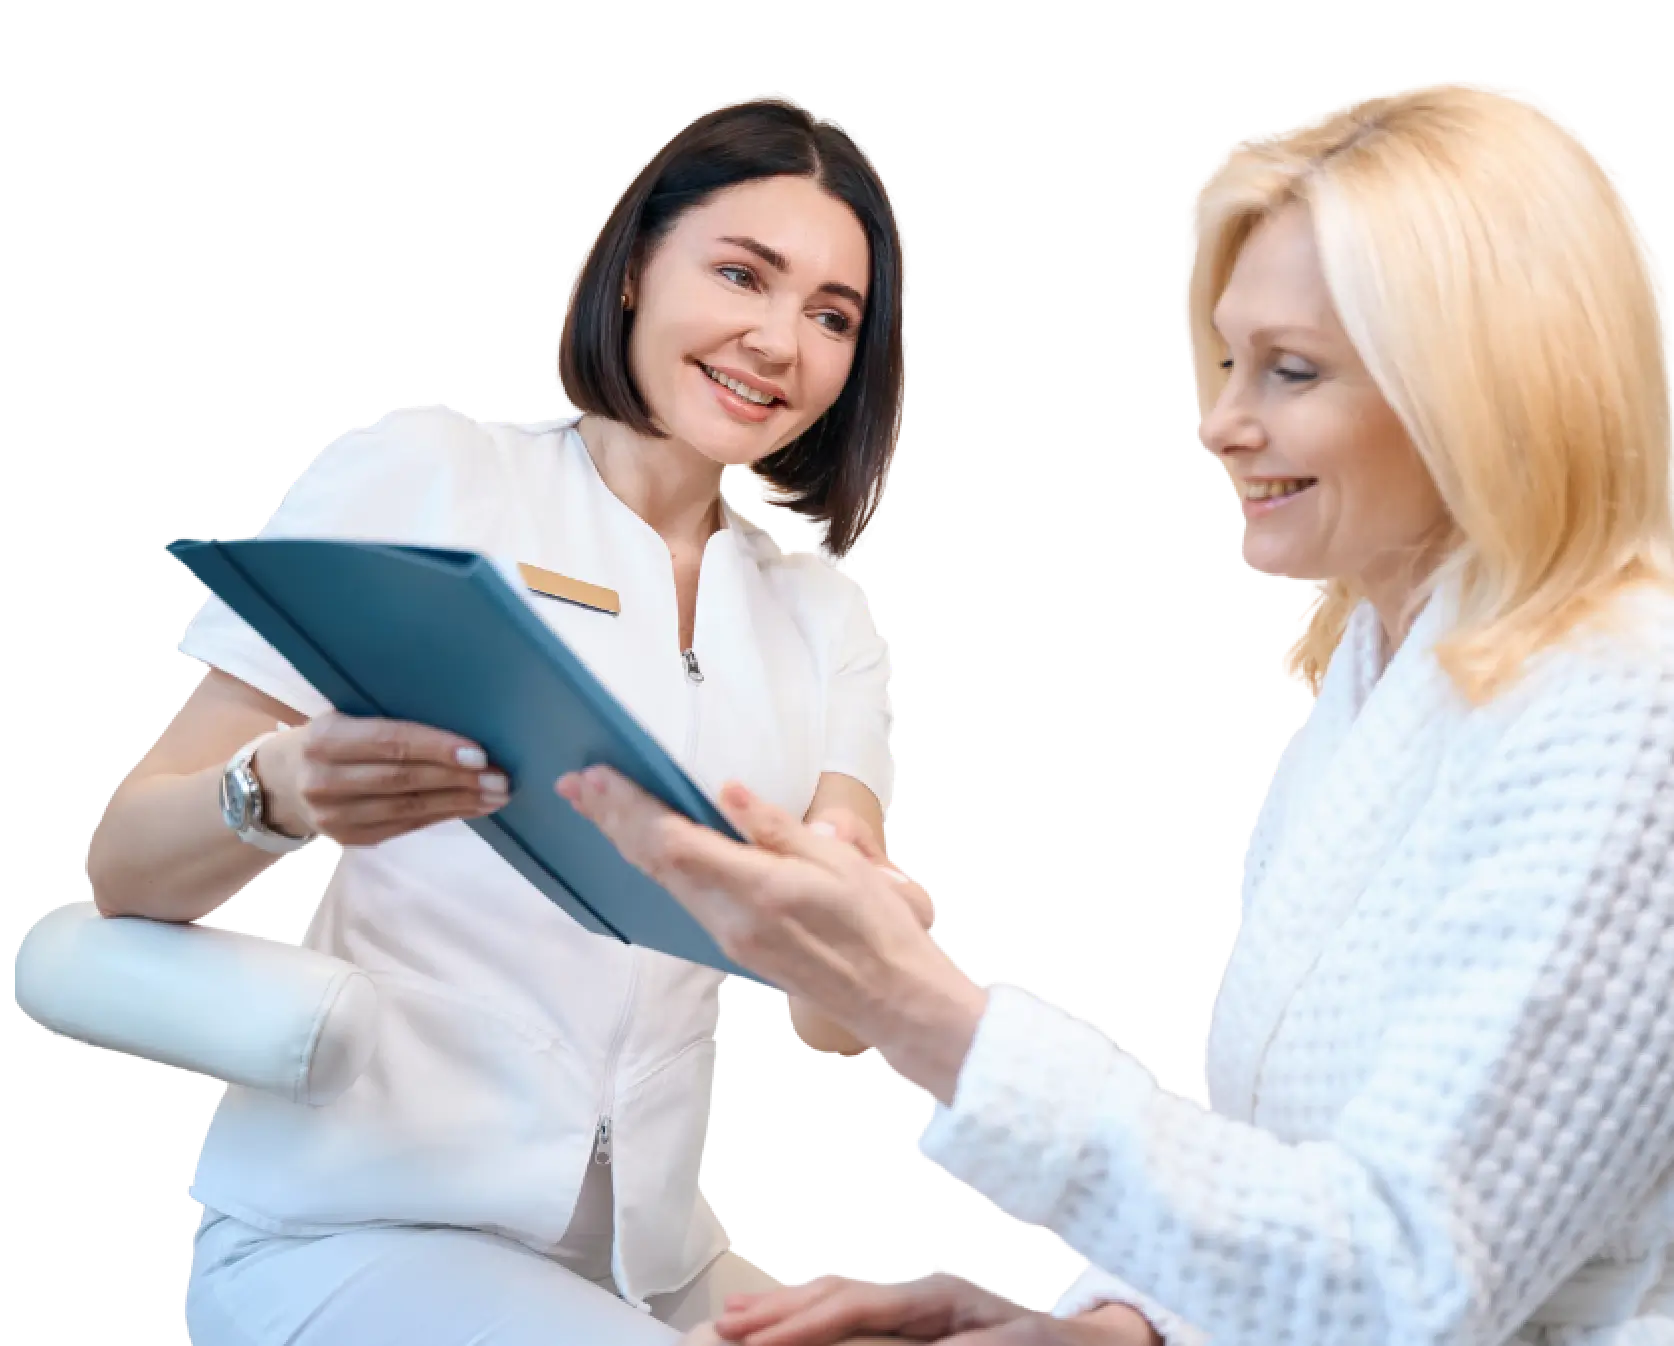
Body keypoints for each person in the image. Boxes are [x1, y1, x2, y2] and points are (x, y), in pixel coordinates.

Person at [559, 81, 1674, 1345]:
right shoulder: (1365, 695)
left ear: (1485, 385)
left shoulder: (1624, 713)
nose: (1221, 424)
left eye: (1290, 370)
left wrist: (911, 1000)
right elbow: (1285, 1183)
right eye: (1226, 359)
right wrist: (1112, 1326)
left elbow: (1403, 1281)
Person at [85, 94, 924, 1346]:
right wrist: (277, 790)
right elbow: (123, 863)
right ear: (637, 265)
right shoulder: (425, 471)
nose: (777, 341)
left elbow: (829, 1017)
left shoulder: (827, 618)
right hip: (359, 1230)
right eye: (742, 274)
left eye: (831, 316)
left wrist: (869, 927)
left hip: (648, 1259)